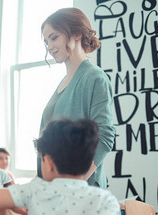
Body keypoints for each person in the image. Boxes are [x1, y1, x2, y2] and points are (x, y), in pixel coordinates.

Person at [39, 7, 115, 189]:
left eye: (54, 37)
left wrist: (75, 181)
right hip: (55, 189)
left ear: (76, 33)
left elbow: (104, 137)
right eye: (46, 41)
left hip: (82, 191)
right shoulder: (62, 83)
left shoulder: (94, 77)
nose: (49, 47)